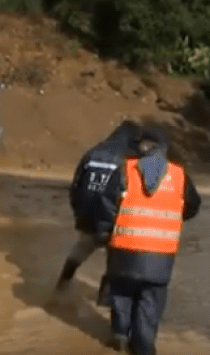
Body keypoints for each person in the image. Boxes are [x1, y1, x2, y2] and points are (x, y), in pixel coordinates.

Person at [96, 130, 201, 355]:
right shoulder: (180, 176)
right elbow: (193, 206)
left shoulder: (125, 170)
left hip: (124, 250)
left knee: (122, 294)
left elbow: (106, 205)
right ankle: (143, 347)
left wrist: (104, 234)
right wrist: (173, 217)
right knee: (150, 303)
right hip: (160, 256)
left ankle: (120, 337)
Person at [55, 120, 144, 291]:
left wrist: (79, 214)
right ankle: (105, 299)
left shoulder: (92, 153)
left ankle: (61, 288)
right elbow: (132, 193)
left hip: (88, 216)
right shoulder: (131, 158)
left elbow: (76, 186)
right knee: (116, 260)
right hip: (114, 220)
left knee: (80, 251)